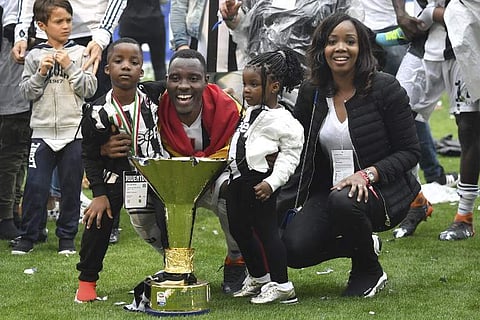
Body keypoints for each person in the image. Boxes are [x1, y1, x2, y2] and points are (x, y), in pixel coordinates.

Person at [277, 12, 421, 297]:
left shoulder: (385, 88)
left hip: (384, 190)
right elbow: (299, 146)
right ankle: (361, 242)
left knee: (345, 199)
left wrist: (368, 174)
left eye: (349, 41)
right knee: (292, 249)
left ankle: (368, 269)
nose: (340, 48)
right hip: (329, 190)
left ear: (361, 48)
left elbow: (410, 151)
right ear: (322, 49)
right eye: (332, 42)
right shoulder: (312, 92)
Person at [101, 49, 247, 294]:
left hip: (214, 178)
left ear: (206, 81)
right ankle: (176, 265)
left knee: (230, 189)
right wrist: (103, 146)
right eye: (175, 78)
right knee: (137, 205)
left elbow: (243, 149)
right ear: (165, 80)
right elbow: (110, 110)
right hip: (172, 182)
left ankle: (236, 259)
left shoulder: (229, 107)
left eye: (193, 78)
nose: (183, 86)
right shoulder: (152, 106)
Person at [75, 37, 167, 302]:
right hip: (115, 177)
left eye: (133, 62)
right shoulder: (95, 111)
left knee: (170, 214)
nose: (126, 67)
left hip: (154, 175)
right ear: (107, 69)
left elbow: (182, 84)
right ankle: (87, 282)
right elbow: (89, 155)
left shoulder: (154, 95)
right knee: (98, 218)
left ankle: (176, 269)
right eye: (118, 61)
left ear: (142, 70)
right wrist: (99, 193)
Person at [12, 0, 97, 255]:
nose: (66, 26)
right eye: (59, 21)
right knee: (35, 186)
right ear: (41, 25)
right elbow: (26, 92)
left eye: (68, 20)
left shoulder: (82, 52)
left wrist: (70, 67)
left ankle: (67, 239)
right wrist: (40, 73)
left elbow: (90, 89)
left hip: (74, 133)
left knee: (71, 188)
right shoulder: (34, 55)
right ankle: (29, 236)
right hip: (42, 132)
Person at [226, 49, 304, 304]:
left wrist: (271, 183)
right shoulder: (250, 112)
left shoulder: (285, 120)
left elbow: (290, 157)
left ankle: (282, 284)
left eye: (253, 84)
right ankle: (259, 277)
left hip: (260, 184)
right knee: (239, 229)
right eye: (245, 84)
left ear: (274, 87)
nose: (246, 90)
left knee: (267, 232)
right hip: (239, 182)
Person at [411, 1, 480, 241]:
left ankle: (464, 218)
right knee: (402, 120)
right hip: (424, 49)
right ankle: (414, 202)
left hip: (465, 46)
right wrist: (409, 13)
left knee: (469, 128)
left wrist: (434, 13)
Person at [13, 0, 127, 101]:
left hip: (92, 36)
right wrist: (21, 33)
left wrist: (102, 35)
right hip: (46, 35)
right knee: (43, 104)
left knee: (97, 107)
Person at [169, 0, 244, 102]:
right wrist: (181, 45)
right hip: (194, 63)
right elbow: (178, 7)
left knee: (235, 112)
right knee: (195, 113)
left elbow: (252, 14)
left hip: (237, 62)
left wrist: (233, 18)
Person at [0, 0, 31, 241]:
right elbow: (13, 30)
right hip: (10, 87)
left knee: (20, 154)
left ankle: (13, 212)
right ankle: (6, 216)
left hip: (20, 87)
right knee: (12, 155)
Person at [118, 0, 167, 81]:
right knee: (159, 66)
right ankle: (162, 92)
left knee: (129, 65)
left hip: (129, 23)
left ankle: (131, 93)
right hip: (154, 22)